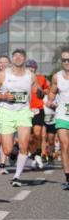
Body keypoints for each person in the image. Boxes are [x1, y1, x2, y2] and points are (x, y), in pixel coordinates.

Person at [0, 48, 41, 189]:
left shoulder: (30, 75)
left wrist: (43, 93)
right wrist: (3, 96)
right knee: (7, 150)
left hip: (23, 112)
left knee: (24, 143)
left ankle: (17, 176)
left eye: (20, 56)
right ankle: (14, 152)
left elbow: (38, 90)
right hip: (6, 112)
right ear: (12, 59)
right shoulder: (3, 74)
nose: (18, 58)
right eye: (15, 56)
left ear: (24, 59)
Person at [47, 47, 69, 190]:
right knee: (64, 145)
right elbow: (51, 93)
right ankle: (68, 177)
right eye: (64, 60)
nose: (67, 62)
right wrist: (50, 101)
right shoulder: (57, 77)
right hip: (62, 115)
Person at [26, 59, 49, 169]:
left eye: (33, 67)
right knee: (29, 137)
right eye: (29, 67)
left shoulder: (41, 78)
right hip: (25, 110)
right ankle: (34, 155)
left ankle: (38, 153)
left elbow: (48, 89)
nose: (31, 69)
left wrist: (43, 92)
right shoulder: (22, 79)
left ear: (35, 68)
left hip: (38, 109)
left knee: (37, 133)